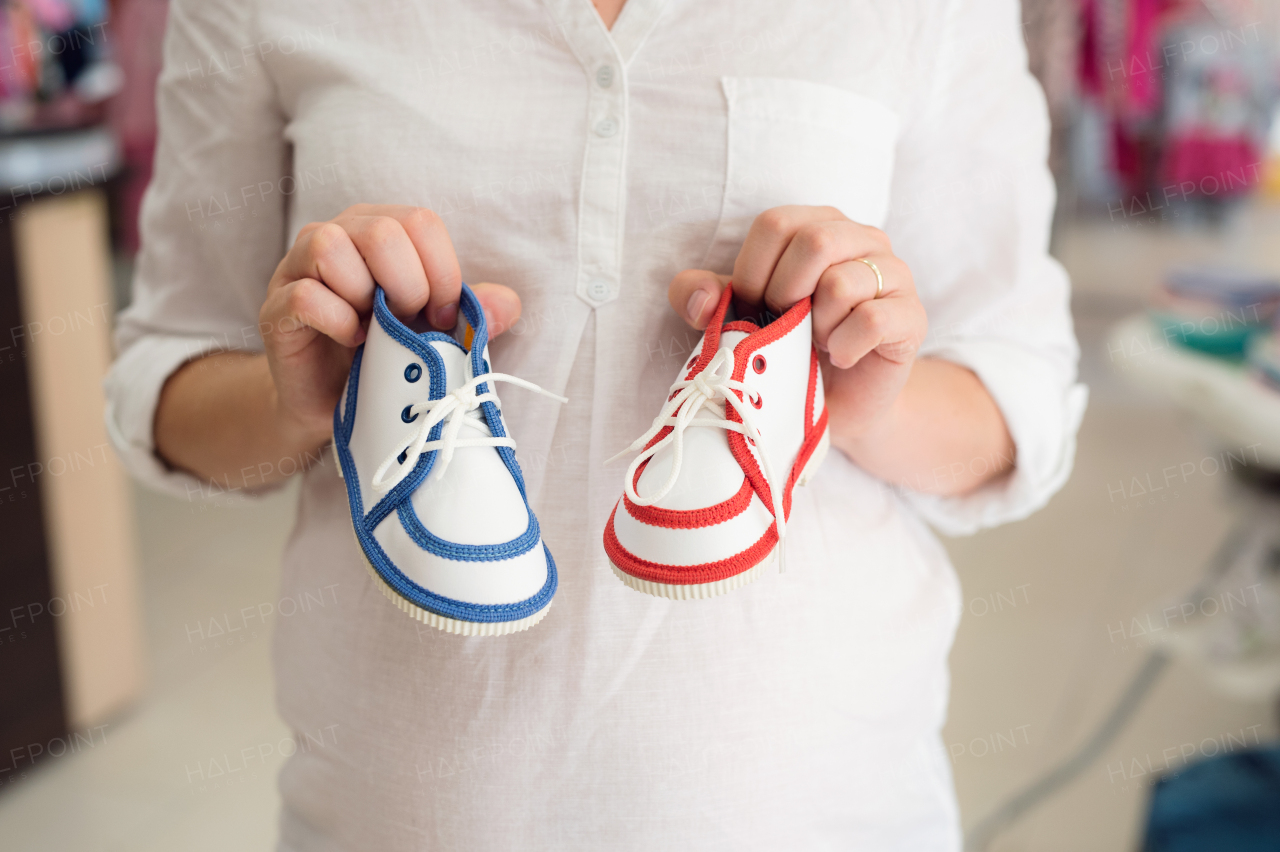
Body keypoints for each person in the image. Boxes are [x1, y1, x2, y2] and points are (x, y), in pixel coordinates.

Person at [105, 0, 1086, 848]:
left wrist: (861, 402)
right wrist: (298, 399)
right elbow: (164, 377)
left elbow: (1018, 399)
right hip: (385, 814)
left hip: (826, 807)